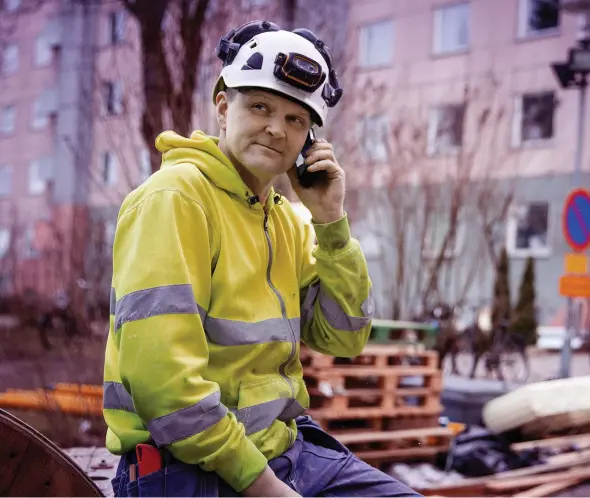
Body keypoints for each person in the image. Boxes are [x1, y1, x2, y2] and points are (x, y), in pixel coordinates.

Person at [103, 19, 420, 497]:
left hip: (283, 452)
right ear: (223, 108)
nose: (276, 129)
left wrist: (330, 221)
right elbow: (164, 386)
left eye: (296, 120)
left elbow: (345, 337)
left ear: (309, 141)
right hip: (185, 466)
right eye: (260, 107)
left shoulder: (286, 221)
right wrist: (264, 486)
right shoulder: (176, 199)